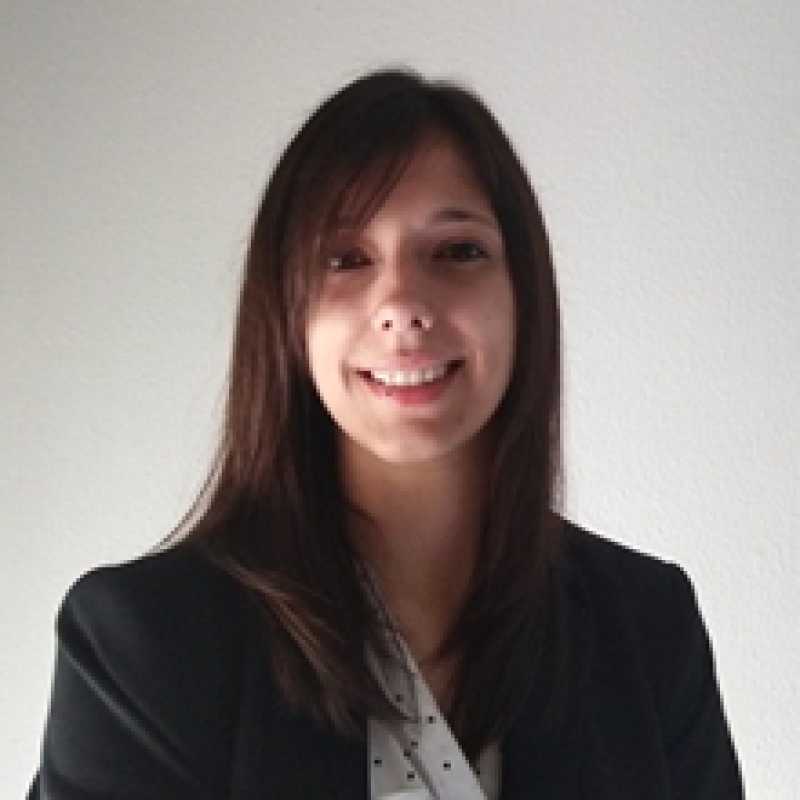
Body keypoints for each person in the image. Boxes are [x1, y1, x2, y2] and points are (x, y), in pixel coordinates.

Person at [27, 68, 744, 799]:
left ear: (524, 294)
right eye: (345, 259)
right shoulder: (147, 642)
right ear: (287, 318)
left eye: (457, 251)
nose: (401, 304)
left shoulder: (647, 625)